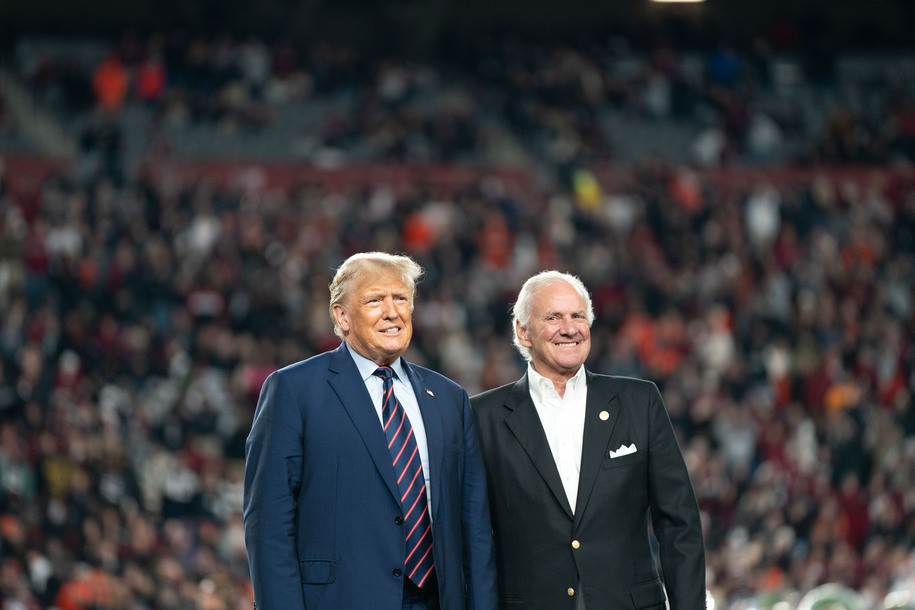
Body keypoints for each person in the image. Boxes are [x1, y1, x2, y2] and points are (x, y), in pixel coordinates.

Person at [244, 252, 497, 609]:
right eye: (375, 300)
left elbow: (474, 526)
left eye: (401, 299)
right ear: (341, 315)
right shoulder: (294, 390)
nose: (392, 312)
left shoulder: (449, 398)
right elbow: (268, 524)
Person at [471, 270, 706, 610]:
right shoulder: (482, 417)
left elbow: (679, 523)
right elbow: (474, 538)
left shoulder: (639, 402)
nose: (570, 328)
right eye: (553, 317)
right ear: (523, 332)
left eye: (578, 316)